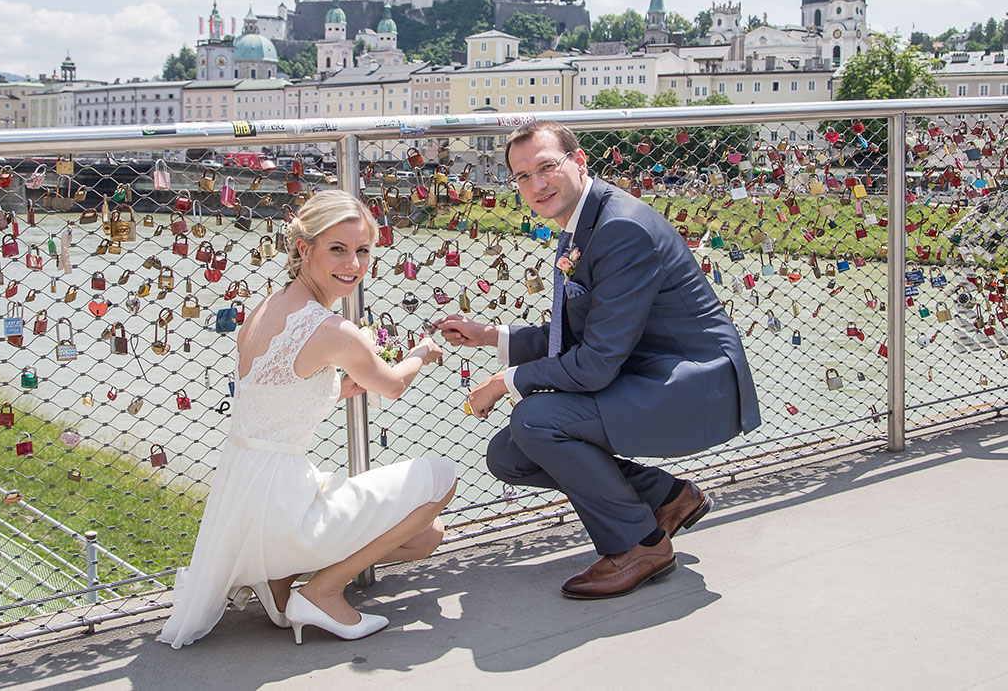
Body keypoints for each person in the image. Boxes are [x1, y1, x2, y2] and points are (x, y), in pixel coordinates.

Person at [436, 120, 760, 599]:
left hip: (693, 386)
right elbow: (579, 335)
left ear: (579, 161)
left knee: (536, 420)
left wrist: (505, 381)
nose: (536, 184)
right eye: (522, 176)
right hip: (646, 372)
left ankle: (639, 545)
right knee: (509, 455)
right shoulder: (586, 221)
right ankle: (667, 499)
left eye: (547, 167)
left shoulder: (619, 228)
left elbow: (595, 363)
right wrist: (489, 335)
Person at [161, 190, 457, 648]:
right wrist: (421, 352)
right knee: (442, 476)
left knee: (426, 534)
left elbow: (269, 399)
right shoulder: (333, 330)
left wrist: (335, 388)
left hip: (244, 501)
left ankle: (279, 577)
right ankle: (322, 592)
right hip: (284, 504)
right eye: (337, 249)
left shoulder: (267, 307)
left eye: (362, 251)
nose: (354, 264)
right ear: (304, 248)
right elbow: (394, 385)